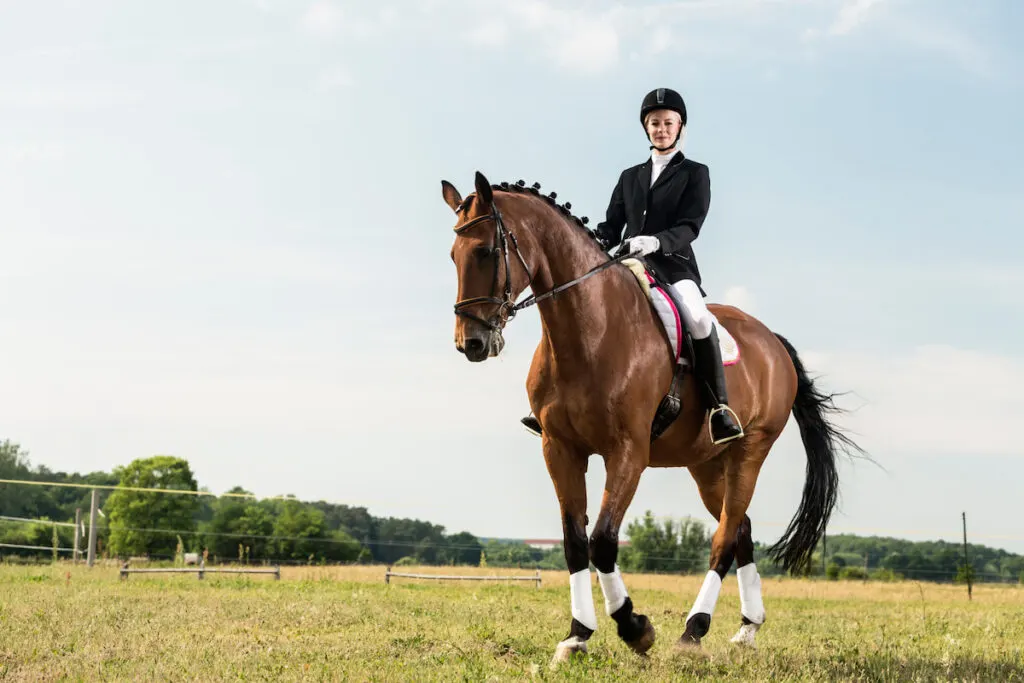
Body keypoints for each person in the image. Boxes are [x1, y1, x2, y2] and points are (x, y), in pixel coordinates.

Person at [521, 87, 744, 445]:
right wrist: (589, 244)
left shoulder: (695, 173)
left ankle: (719, 407)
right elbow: (611, 226)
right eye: (654, 123)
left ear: (680, 126)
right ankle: (550, 400)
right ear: (647, 129)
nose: (661, 129)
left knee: (700, 318)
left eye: (668, 123)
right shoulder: (630, 176)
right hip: (626, 264)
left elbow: (691, 226)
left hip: (673, 265)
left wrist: (656, 241)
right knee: (578, 307)